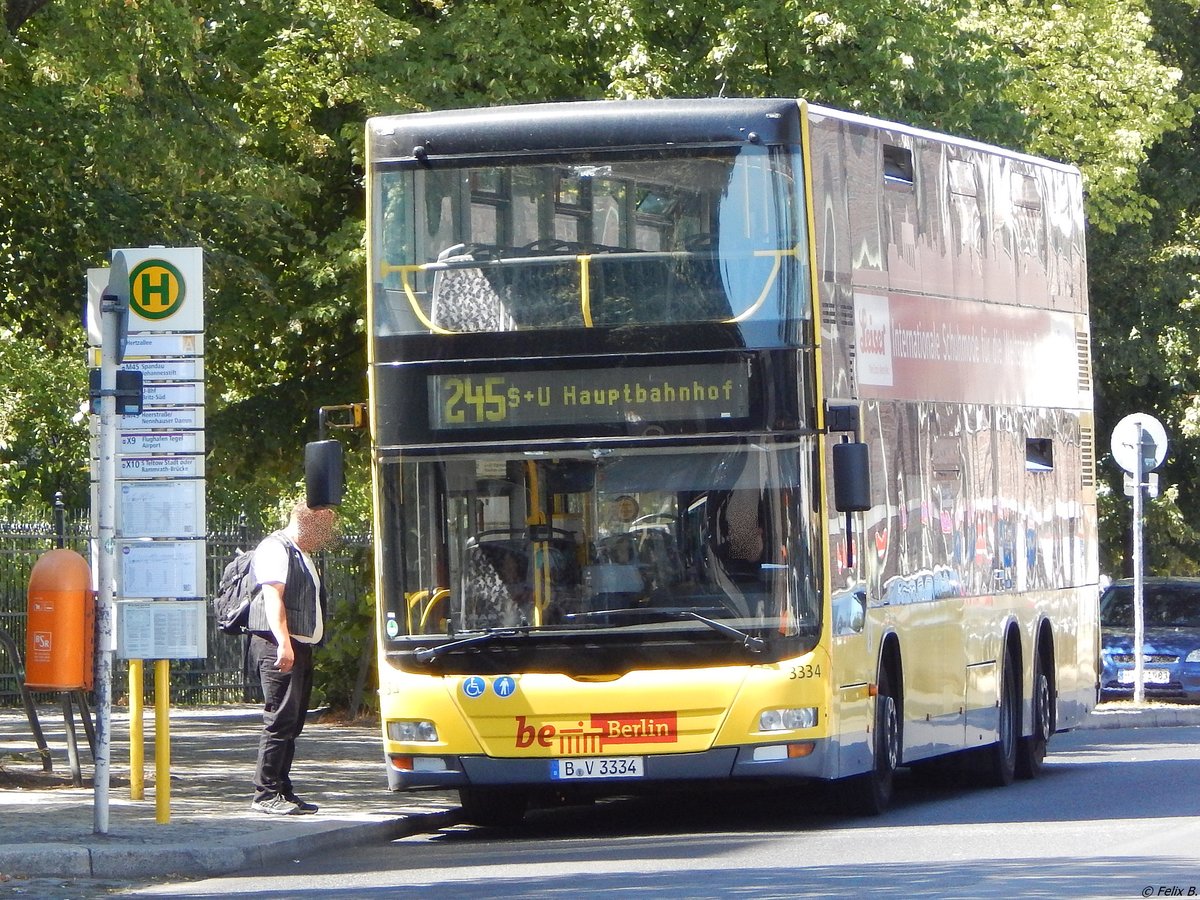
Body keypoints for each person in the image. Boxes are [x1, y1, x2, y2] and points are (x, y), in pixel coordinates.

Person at [246, 500, 337, 816]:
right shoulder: (275, 548)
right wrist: (284, 644)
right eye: (323, 529)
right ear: (307, 522)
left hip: (299, 646)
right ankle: (266, 792)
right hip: (278, 645)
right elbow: (273, 599)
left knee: (293, 721)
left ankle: (282, 789)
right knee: (280, 719)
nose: (326, 536)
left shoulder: (302, 554)